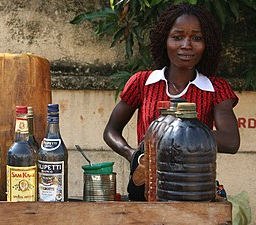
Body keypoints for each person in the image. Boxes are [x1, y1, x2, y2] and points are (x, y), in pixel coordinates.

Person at [103, 3, 240, 200]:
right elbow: (111, 131)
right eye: (177, 37)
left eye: (197, 38)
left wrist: (174, 136)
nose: (186, 45)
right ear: (164, 41)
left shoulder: (216, 89)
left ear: (207, 43)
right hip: (146, 189)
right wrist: (132, 154)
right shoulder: (143, 83)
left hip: (193, 189)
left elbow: (231, 141)